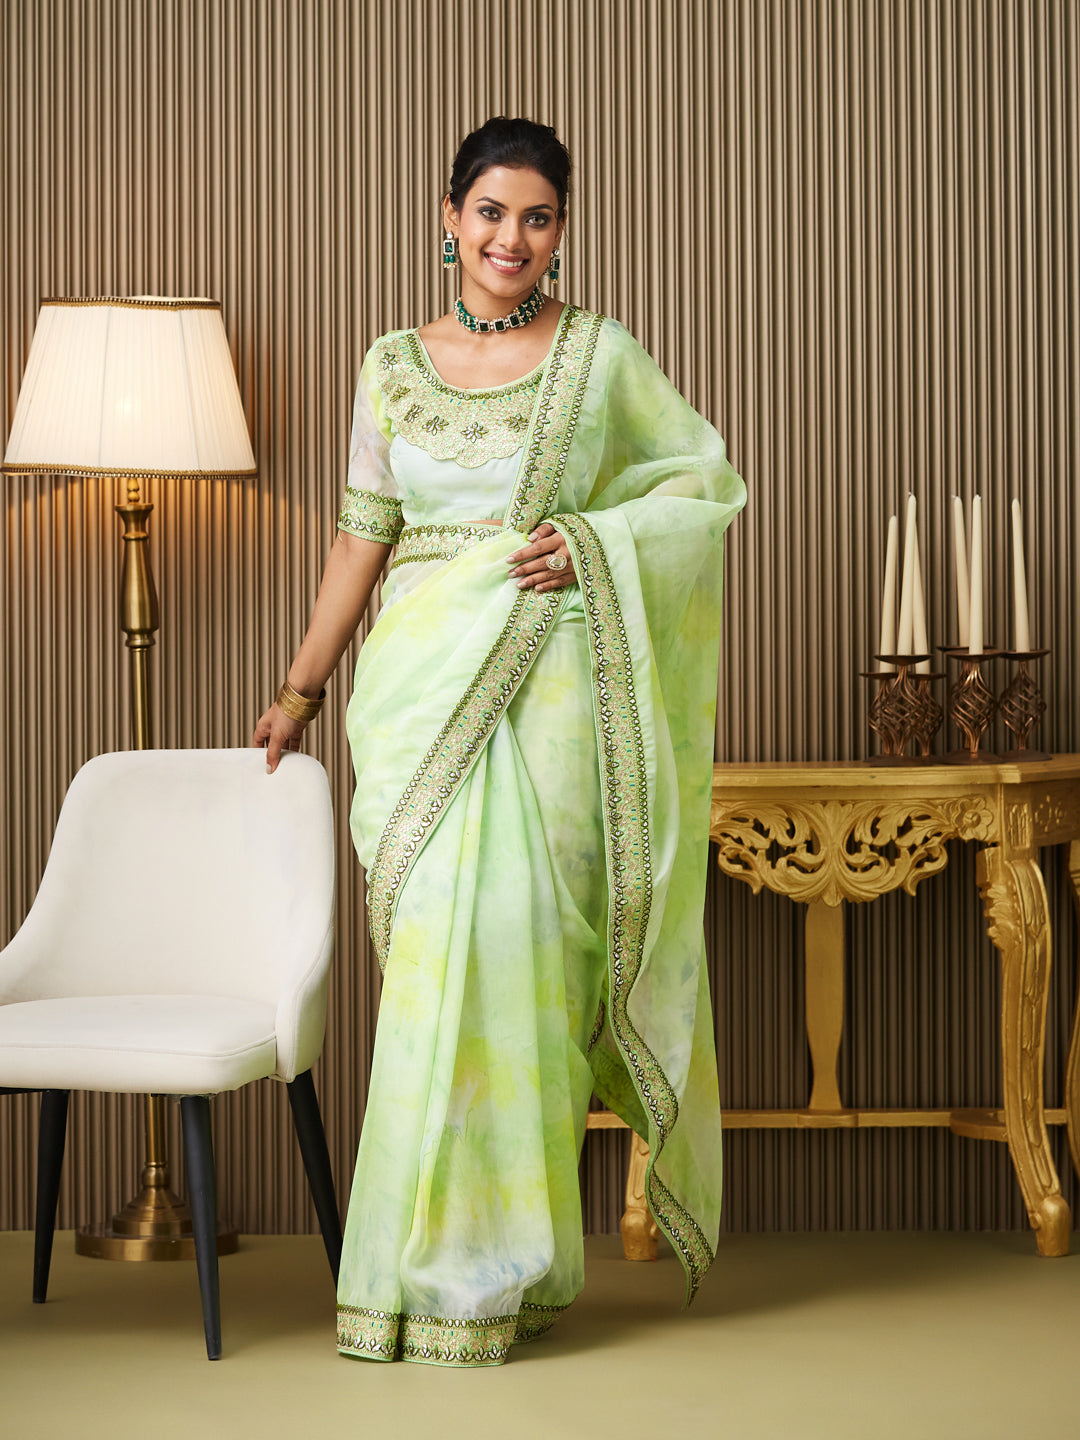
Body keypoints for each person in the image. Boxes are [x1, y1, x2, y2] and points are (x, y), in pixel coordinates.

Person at [254, 116, 746, 1368]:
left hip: (553, 694)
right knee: (433, 969)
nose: (510, 238)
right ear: (448, 216)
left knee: (525, 960)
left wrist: (591, 541)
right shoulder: (388, 366)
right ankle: (404, 1279)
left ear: (561, 229)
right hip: (421, 691)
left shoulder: (600, 355)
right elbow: (359, 540)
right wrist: (301, 692)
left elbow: (701, 484)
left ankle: (502, 1274)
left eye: (537, 217)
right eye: (490, 213)